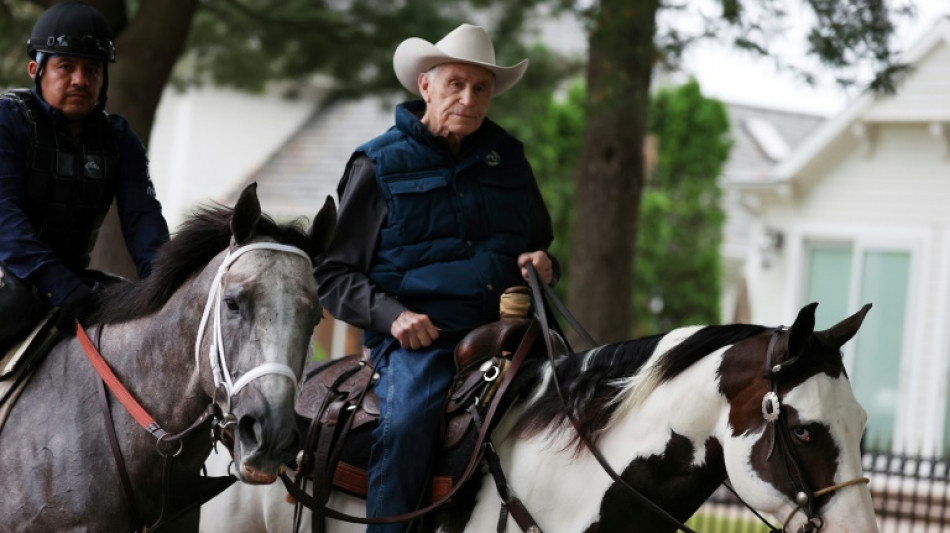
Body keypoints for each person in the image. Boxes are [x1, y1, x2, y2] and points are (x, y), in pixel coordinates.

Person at [314, 23, 558, 532]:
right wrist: (393, 317)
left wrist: (543, 264)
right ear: (426, 84)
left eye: (481, 88)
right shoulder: (378, 162)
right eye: (456, 84)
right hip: (419, 344)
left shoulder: (510, 160)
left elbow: (538, 244)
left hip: (510, 335)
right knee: (408, 426)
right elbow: (333, 274)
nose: (469, 99)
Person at [0, 0, 169, 351]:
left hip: (72, 277)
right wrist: (57, 284)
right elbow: (5, 219)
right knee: (16, 301)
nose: (80, 79)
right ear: (36, 69)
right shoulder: (7, 121)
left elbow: (144, 221)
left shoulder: (120, 139)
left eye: (92, 69)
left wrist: (167, 288)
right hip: (9, 272)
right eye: (66, 66)